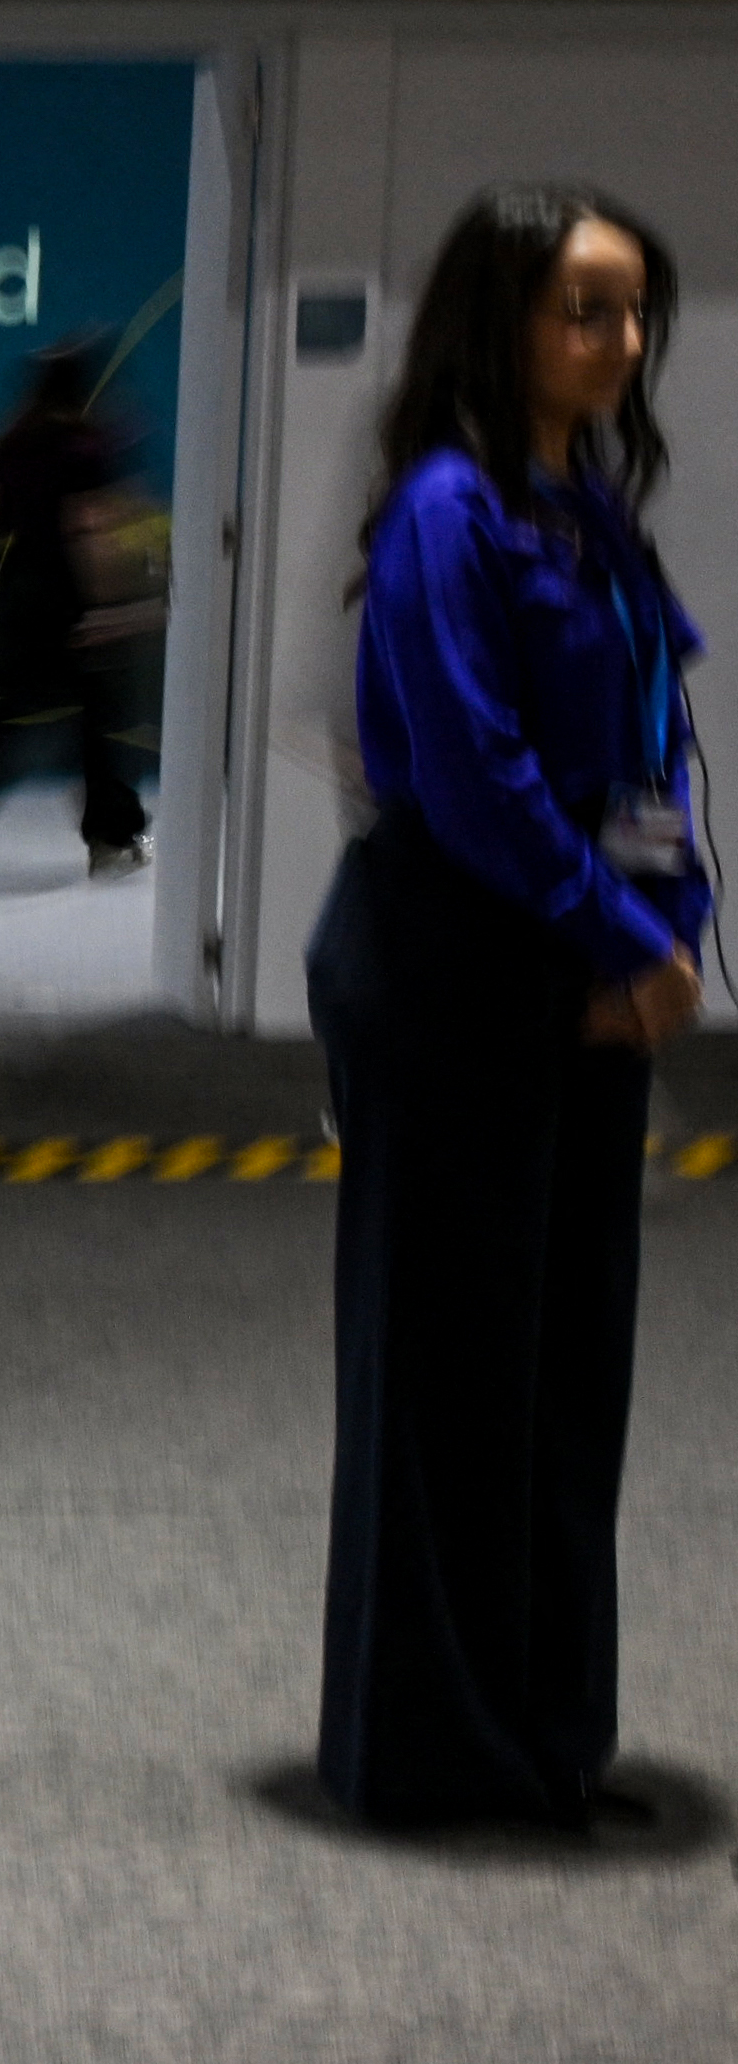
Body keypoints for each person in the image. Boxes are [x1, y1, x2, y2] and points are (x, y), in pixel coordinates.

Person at [310, 180, 709, 1833]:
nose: (618, 343)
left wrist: (658, 922)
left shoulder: (586, 509)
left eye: (633, 314)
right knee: (447, 1378)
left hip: (577, 977)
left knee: (562, 1376)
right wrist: (619, 940)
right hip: (454, 971)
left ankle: (548, 1734)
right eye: (584, 310)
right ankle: (430, 1750)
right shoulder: (443, 514)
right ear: (501, 319)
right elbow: (471, 778)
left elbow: (637, 744)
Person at [0, 338, 159, 886]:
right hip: (71, 595)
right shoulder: (85, 448)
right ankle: (114, 840)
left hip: (22, 598)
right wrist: (108, 606)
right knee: (100, 722)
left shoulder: (13, 442)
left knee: (0, 723)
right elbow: (88, 526)